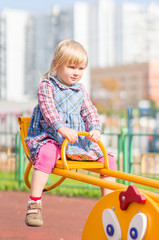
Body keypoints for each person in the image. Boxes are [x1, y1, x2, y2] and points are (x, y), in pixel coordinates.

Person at [25, 39, 116, 227]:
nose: (76, 72)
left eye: (81, 68)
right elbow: (48, 109)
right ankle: (34, 203)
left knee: (108, 159)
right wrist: (61, 127)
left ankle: (109, 207)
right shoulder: (47, 85)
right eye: (72, 66)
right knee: (47, 154)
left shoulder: (80, 91)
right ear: (56, 64)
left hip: (74, 141)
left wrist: (95, 128)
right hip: (50, 135)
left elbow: (89, 111)